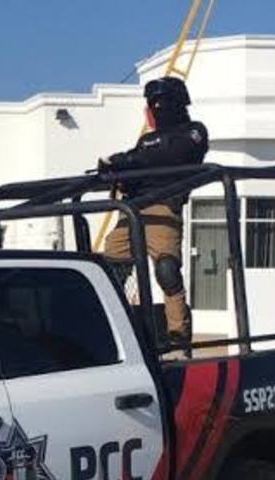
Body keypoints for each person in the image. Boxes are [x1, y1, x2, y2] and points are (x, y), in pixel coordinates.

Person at [99, 77, 209, 347]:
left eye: (157, 104)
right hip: (132, 208)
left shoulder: (194, 131)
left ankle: (178, 335)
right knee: (110, 266)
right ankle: (109, 327)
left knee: (166, 269)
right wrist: (114, 170)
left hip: (163, 207)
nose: (153, 111)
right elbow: (141, 160)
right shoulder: (147, 140)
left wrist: (125, 160)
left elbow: (169, 152)